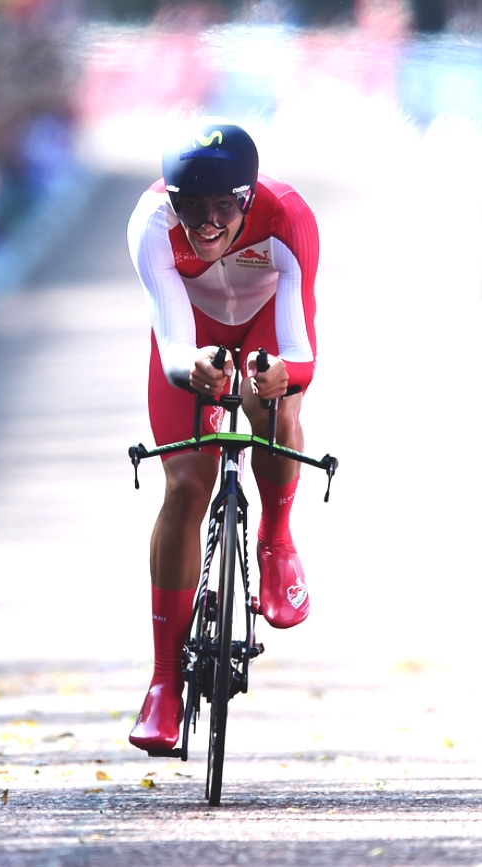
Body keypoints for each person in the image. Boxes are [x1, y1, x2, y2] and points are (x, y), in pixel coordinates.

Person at [125, 117, 319, 751]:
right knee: (185, 488)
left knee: (277, 402)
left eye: (223, 208)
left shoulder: (288, 218)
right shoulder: (151, 223)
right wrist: (194, 368)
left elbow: (300, 353)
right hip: (193, 336)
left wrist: (277, 376)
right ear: (172, 202)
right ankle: (163, 685)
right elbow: (174, 339)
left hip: (266, 326)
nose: (207, 224)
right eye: (193, 209)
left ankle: (276, 537)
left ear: (248, 197)